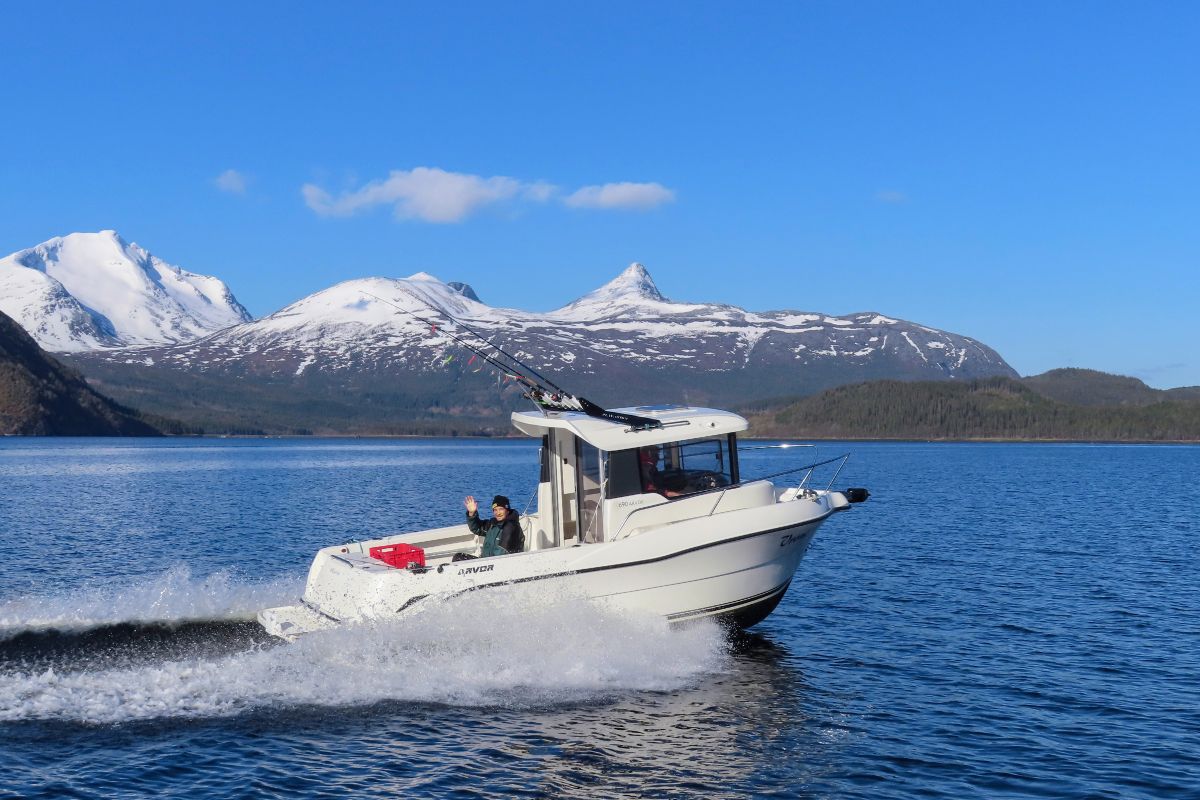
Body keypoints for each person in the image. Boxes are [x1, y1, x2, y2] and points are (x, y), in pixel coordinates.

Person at [454, 494, 524, 561]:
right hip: (486, 562)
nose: (498, 513)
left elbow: (502, 555)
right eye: (495, 510)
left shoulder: (511, 527)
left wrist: (483, 565)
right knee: (458, 557)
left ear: (507, 511)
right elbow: (477, 528)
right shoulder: (493, 525)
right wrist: (472, 513)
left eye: (501, 509)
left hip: (501, 565)